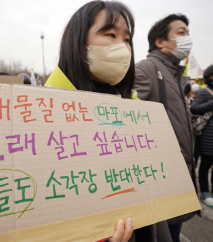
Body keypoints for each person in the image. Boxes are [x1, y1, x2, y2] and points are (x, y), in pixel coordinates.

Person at [46, 1, 172, 241]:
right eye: (110, 34)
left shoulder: (135, 110)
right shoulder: (44, 115)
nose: (123, 47)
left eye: (127, 39)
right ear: (78, 41)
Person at [134, 14, 197, 242]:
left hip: (178, 179)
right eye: (181, 33)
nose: (187, 38)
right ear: (160, 41)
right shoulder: (147, 69)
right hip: (160, 183)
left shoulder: (173, 74)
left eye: (188, 33)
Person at [190, 65, 213, 207]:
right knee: (205, 165)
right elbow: (194, 108)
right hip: (207, 136)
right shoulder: (205, 92)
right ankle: (204, 192)